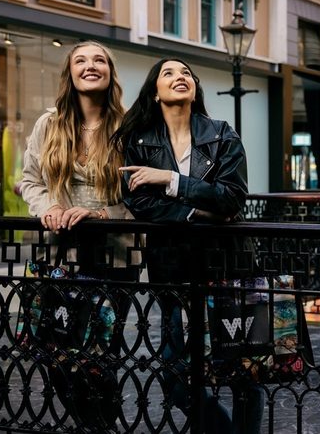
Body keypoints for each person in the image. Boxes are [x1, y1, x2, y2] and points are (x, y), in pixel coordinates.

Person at [114, 57, 261, 434]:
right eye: (169, 73)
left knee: (243, 371)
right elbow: (139, 201)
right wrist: (198, 213)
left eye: (186, 74)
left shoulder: (222, 134)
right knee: (176, 377)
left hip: (228, 267)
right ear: (155, 92)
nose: (180, 77)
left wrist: (171, 180)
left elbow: (231, 198)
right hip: (173, 274)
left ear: (194, 89)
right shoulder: (140, 141)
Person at [20, 40, 135, 430]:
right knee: (57, 355)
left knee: (100, 357)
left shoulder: (130, 127)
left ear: (110, 72)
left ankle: (101, 427)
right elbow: (30, 181)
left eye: (99, 60)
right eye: (81, 60)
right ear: (69, 73)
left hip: (115, 258)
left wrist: (103, 214)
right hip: (59, 257)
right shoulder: (48, 124)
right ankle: (96, 426)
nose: (90, 66)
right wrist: (48, 208)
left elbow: (144, 197)